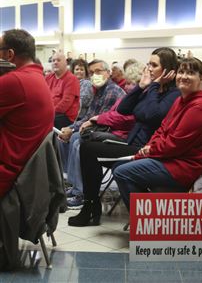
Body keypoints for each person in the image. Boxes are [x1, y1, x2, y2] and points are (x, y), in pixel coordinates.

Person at [68, 47, 181, 226]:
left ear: (167, 69)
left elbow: (152, 114)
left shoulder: (173, 94)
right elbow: (123, 109)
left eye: (154, 65)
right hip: (132, 143)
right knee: (87, 146)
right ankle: (90, 205)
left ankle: (90, 207)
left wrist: (151, 87)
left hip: (146, 150)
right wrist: (141, 86)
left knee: (89, 149)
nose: (149, 68)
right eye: (148, 64)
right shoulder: (151, 90)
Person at [113, 57, 202, 210]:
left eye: (190, 73)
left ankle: (147, 221)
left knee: (122, 172)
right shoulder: (181, 100)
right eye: (181, 72)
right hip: (170, 159)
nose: (183, 76)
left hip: (184, 166)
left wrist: (151, 150)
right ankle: (150, 218)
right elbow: (162, 128)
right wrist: (150, 145)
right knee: (119, 165)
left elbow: (175, 144)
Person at [65, 62, 144, 209]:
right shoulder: (100, 91)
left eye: (131, 83)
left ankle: (83, 194)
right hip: (114, 130)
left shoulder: (115, 92)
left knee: (80, 141)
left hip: (121, 136)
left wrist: (97, 120)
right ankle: (75, 186)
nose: (127, 87)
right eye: (92, 72)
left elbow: (122, 118)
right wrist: (73, 127)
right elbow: (96, 115)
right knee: (73, 137)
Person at [0, 29, 54, 198]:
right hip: (27, 169)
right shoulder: (37, 77)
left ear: (9, 54)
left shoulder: (14, 81)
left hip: (9, 171)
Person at [46, 52, 80, 129]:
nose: (55, 62)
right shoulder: (48, 77)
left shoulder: (71, 79)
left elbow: (65, 104)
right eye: (53, 60)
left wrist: (47, 113)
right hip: (50, 113)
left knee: (40, 121)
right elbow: (41, 96)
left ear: (65, 63)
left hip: (65, 116)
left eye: (58, 60)